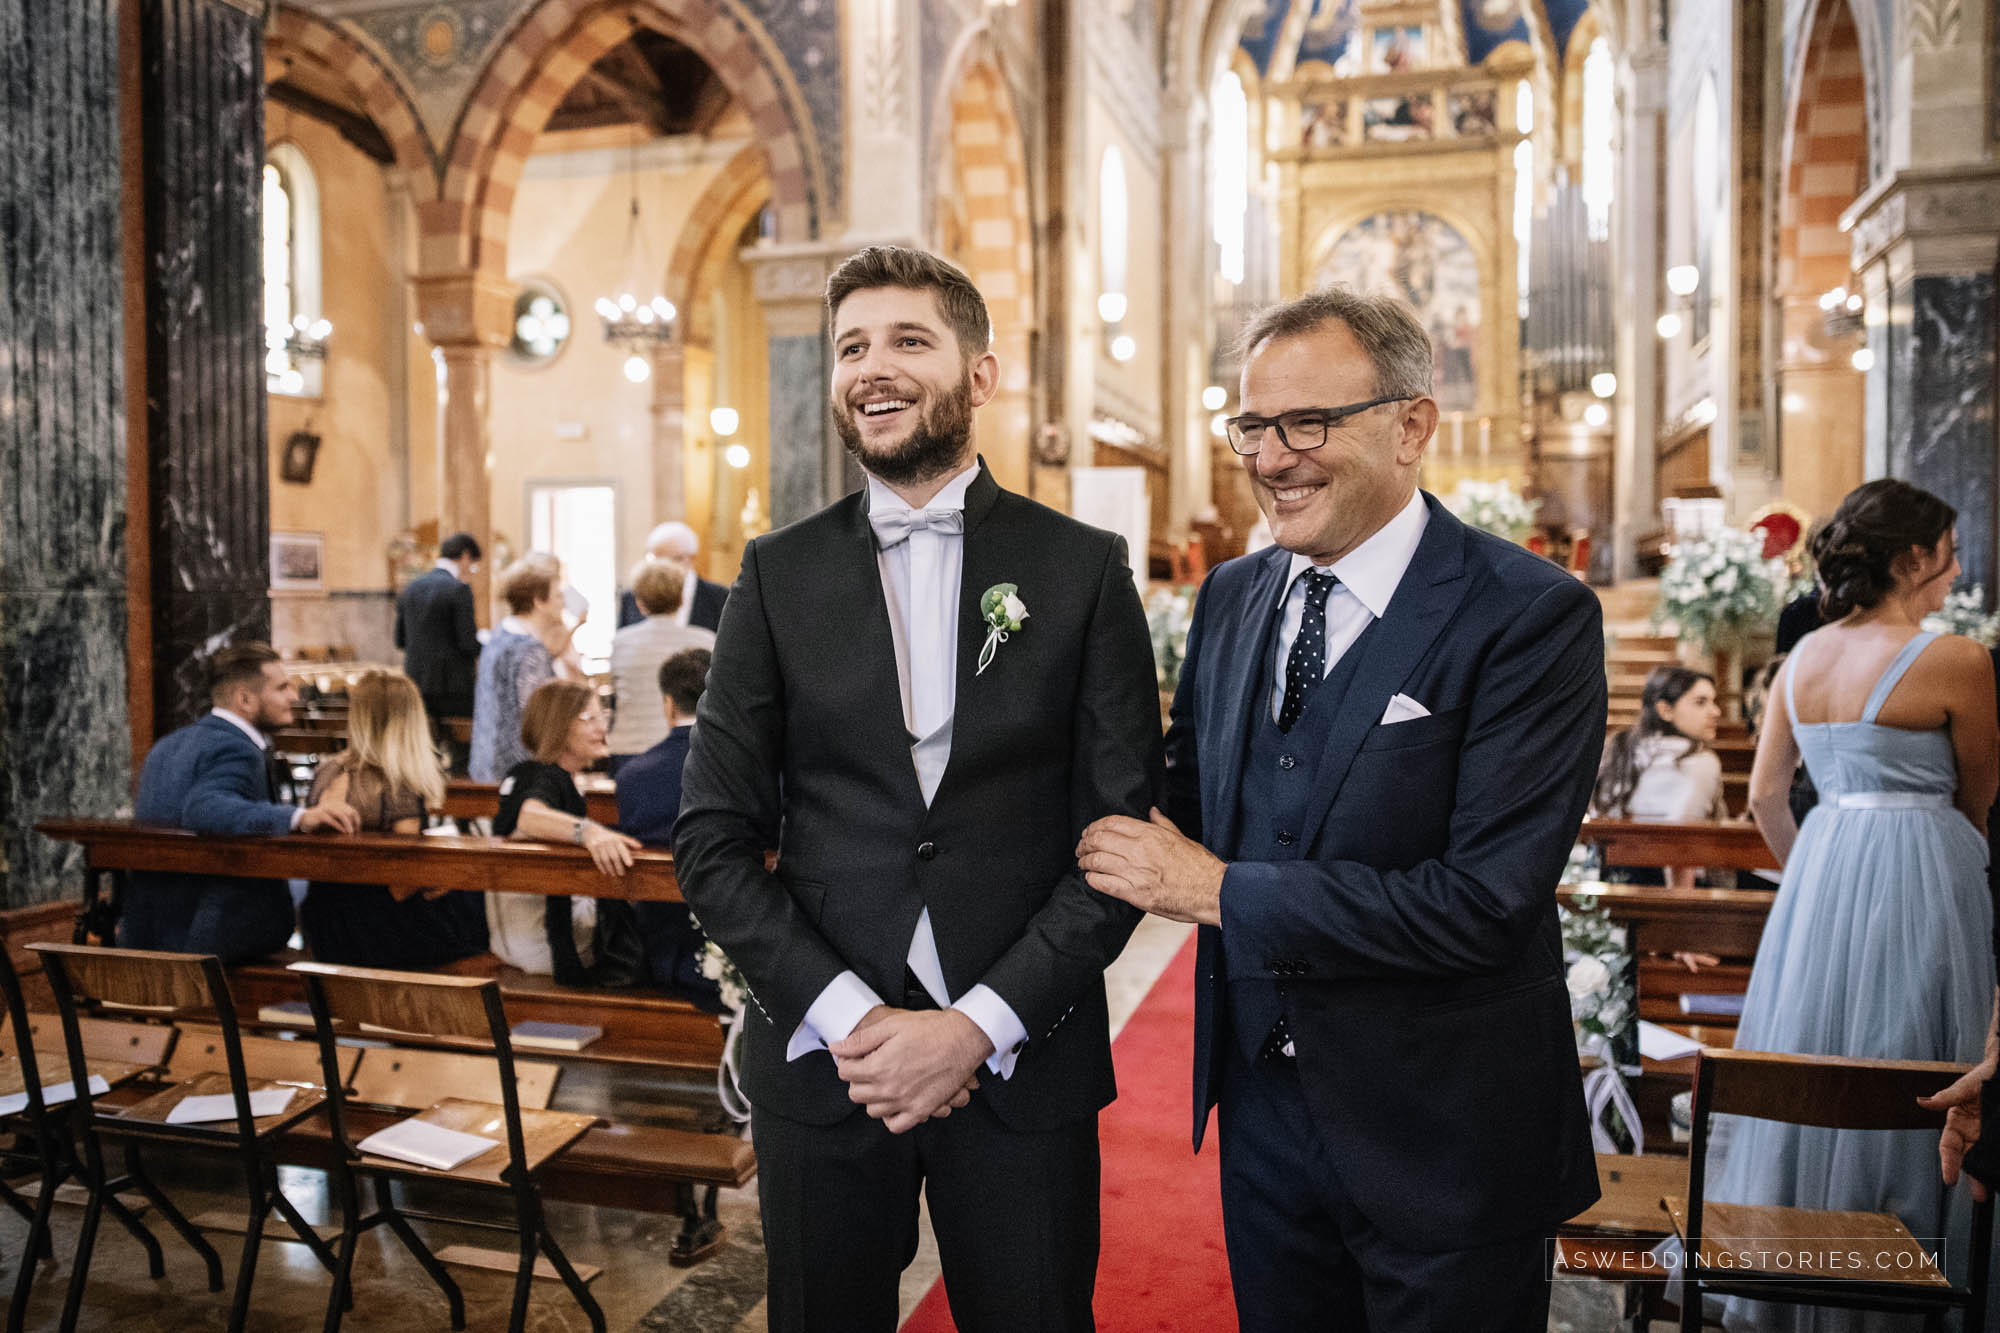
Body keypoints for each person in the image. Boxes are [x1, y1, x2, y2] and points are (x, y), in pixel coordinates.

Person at [1076, 286, 1603, 1332]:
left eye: (1308, 422)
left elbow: (1479, 901)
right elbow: (1183, 797)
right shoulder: (1231, 595)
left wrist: (1219, 891)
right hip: (1263, 1119)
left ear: (1410, 425)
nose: (1273, 457)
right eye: (1254, 427)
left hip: (1444, 1133)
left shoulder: (1529, 613)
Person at [674, 245, 1161, 1333]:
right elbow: (709, 840)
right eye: (851, 345)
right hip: (825, 1066)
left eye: (907, 340)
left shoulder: (1079, 569)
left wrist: (974, 1026)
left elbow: (1121, 845)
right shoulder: (774, 573)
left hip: (1022, 1054)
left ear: (978, 376)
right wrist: (852, 1019)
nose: (871, 367)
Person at [1716, 478, 1997, 1326]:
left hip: (1823, 869)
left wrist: (1817, 881)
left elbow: (1767, 798)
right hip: (1930, 874)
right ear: (1912, 556)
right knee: (1922, 1059)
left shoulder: (1800, 660)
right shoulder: (1956, 660)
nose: (1954, 571)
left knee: (1817, 1070)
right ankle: (1917, 1279)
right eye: (1947, 552)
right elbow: (1982, 800)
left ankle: (1799, 1271)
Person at [121, 641, 362, 961]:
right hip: (210, 930)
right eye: (282, 688)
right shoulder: (238, 749)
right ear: (244, 699)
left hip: (146, 926)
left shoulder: (168, 745)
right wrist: (299, 818)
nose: (294, 696)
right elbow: (204, 808)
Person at [299, 670, 487, 968]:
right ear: (410, 721)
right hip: (378, 931)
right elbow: (401, 884)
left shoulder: (327, 772)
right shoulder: (397, 784)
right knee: (477, 903)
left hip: (324, 922)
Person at [489, 680, 645, 985]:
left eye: (603, 716)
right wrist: (588, 832)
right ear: (559, 725)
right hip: (543, 941)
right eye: (589, 718)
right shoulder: (538, 776)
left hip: (526, 935)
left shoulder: (545, 775)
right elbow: (529, 817)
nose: (602, 727)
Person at [616, 648, 722, 1006]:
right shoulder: (750, 767)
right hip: (733, 934)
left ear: (667, 703)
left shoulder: (633, 775)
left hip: (661, 946)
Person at [1590, 666, 1724, 888]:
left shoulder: (1622, 746)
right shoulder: (1702, 761)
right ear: (1665, 710)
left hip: (1614, 877)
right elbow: (1681, 845)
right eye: (1701, 702)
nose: (1715, 711)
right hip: (1674, 882)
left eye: (1714, 701)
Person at [604, 558, 715, 771]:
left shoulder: (622, 641)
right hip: (686, 744)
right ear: (682, 599)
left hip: (629, 746)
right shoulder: (705, 640)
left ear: (639, 602)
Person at [468, 558, 561, 783]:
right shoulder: (530, 649)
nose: (563, 602)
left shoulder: (499, 635)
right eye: (558, 595)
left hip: (487, 759)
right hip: (519, 768)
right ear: (539, 601)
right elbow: (536, 716)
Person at [393, 531, 481, 732]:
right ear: (465, 557)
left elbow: (399, 640)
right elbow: (468, 644)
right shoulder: (458, 590)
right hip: (453, 687)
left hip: (415, 682)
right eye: (473, 566)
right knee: (460, 748)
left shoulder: (411, 588)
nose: (470, 571)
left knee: (426, 744)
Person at [617, 521, 728, 631]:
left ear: (690, 559)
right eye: (655, 559)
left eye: (669, 560)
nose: (660, 567)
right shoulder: (632, 596)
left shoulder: (719, 597)